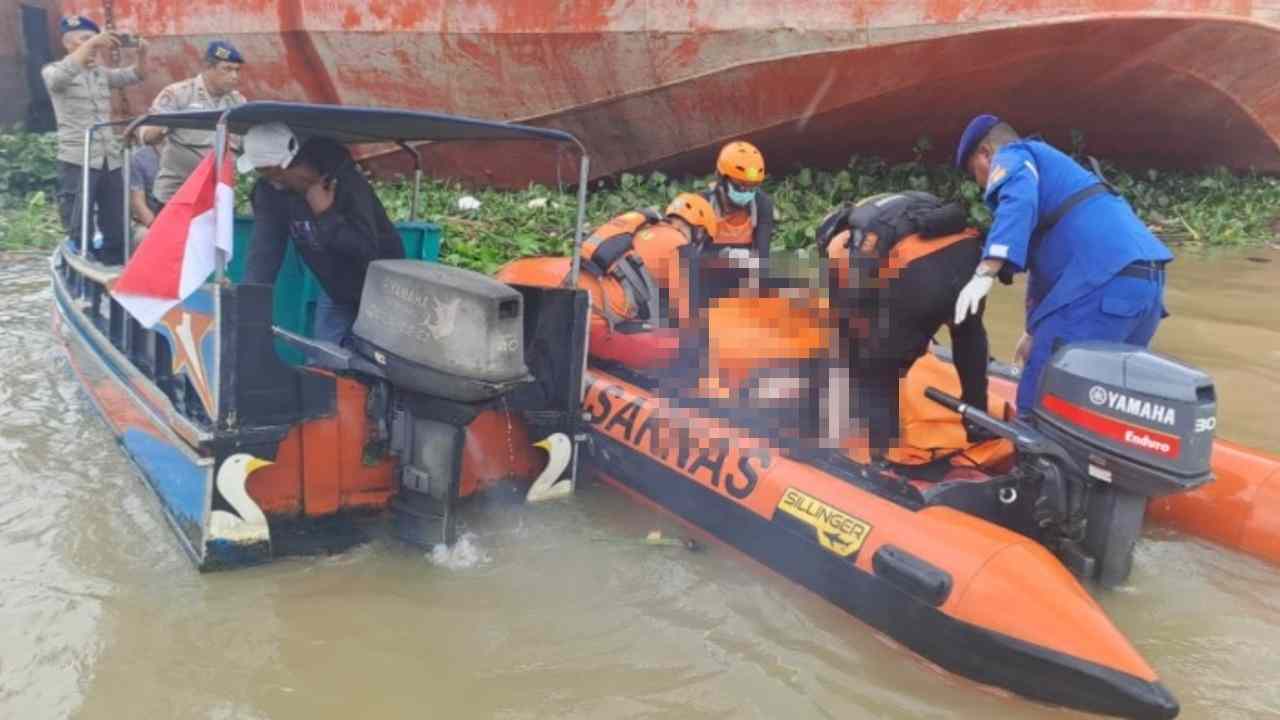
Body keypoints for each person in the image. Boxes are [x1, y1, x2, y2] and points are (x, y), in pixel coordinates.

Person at [952, 115, 1173, 415]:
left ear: (986, 154)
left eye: (974, 172)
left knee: (1040, 398)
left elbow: (1018, 199)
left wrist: (986, 269)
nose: (979, 183)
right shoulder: (1060, 182)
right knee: (1105, 402)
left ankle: (1030, 460)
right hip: (1146, 287)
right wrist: (1033, 331)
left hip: (1100, 285)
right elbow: (1046, 272)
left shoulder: (1016, 156)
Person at [817, 191, 989, 460]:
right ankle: (978, 423)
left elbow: (850, 314)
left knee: (877, 360)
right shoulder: (894, 210)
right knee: (968, 332)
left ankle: (881, 453)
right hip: (968, 261)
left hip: (921, 275)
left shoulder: (840, 244)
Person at [240, 123, 404, 346]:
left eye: (270, 173)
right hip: (336, 290)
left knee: (378, 364)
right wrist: (250, 302)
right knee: (325, 367)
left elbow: (367, 250)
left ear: (285, 165)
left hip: (384, 290)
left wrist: (326, 216)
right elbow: (264, 252)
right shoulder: (270, 193)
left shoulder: (346, 183)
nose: (270, 181)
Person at [42, 15, 148, 264]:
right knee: (79, 222)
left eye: (94, 40)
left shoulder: (100, 74)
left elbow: (136, 75)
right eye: (86, 40)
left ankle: (112, 270)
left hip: (109, 159)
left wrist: (143, 53)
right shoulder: (53, 72)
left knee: (116, 219)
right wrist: (94, 42)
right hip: (78, 159)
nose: (95, 46)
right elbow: (59, 81)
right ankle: (81, 274)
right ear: (68, 44)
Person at [140, 40, 247, 208]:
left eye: (237, 70)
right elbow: (147, 136)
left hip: (216, 198)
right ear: (208, 68)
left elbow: (245, 144)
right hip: (177, 197)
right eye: (227, 69)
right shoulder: (179, 95)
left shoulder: (237, 102)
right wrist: (165, 124)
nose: (234, 76)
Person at [701, 141, 774, 259]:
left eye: (752, 187)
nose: (746, 192)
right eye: (740, 186)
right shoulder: (703, 204)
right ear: (722, 179)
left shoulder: (762, 204)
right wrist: (724, 256)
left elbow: (763, 256)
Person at [128, 137, 161, 229]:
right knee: (145, 235)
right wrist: (159, 230)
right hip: (148, 222)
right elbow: (138, 203)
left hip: (183, 219)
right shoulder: (138, 158)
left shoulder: (186, 154)